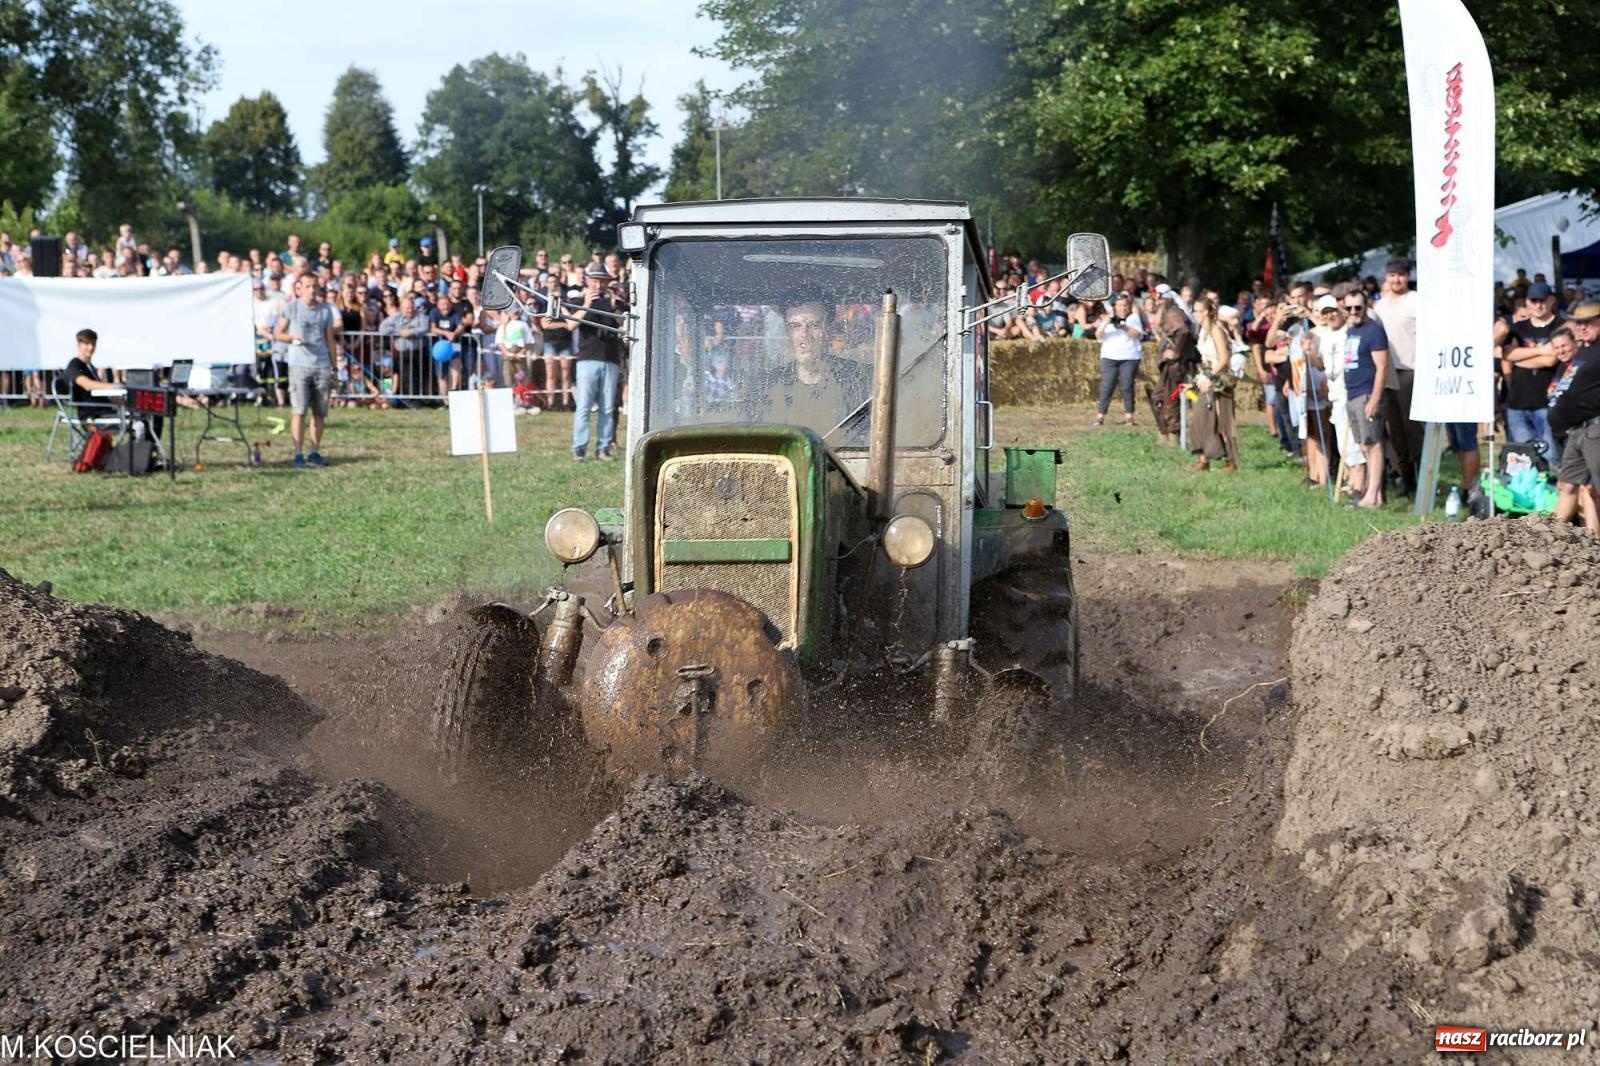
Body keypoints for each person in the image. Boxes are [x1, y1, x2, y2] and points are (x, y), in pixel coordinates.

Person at [764, 298, 869, 434]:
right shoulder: (769, 384)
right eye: (795, 326)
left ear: (829, 330)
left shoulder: (860, 379)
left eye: (814, 325)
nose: (804, 336)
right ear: (787, 332)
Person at [274, 275, 340, 468]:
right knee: (299, 410)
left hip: (321, 365)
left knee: (319, 412)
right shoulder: (292, 308)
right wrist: (292, 338)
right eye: (308, 286)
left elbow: (330, 340)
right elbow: (278, 334)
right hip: (299, 366)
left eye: (315, 286)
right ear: (299, 288)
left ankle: (315, 451)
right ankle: (298, 453)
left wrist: (334, 367)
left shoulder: (325, 310)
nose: (312, 290)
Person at [1332, 291, 1391, 507]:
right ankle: (1371, 492)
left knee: (1373, 444)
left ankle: (1373, 495)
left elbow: (1382, 367)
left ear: (1365, 307)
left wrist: (1374, 399)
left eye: (1358, 307)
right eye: (1349, 308)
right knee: (1364, 445)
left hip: (1366, 394)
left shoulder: (1373, 331)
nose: (1354, 312)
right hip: (1353, 393)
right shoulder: (1350, 331)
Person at [1496, 281, 1564, 461]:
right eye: (1534, 301)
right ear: (1527, 302)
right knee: (1522, 460)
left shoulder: (1560, 326)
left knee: (1552, 456)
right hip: (1518, 402)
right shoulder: (1518, 328)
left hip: (1548, 403)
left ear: (1551, 301)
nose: (1538, 305)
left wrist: (1519, 358)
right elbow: (1506, 354)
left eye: (1543, 300)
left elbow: (1551, 360)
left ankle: (1556, 489)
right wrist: (1541, 350)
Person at [568, 265, 625, 461]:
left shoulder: (615, 303)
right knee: (584, 406)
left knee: (608, 408)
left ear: (608, 283)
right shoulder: (577, 301)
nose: (598, 284)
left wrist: (615, 304)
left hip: (610, 359)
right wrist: (585, 304)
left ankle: (603, 447)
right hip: (587, 359)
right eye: (595, 280)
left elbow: (624, 325)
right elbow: (571, 325)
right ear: (589, 281)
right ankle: (579, 447)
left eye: (602, 281)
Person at [1188, 297, 1238, 472]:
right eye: (1194, 310)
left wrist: (1209, 376)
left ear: (1207, 312)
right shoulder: (1203, 331)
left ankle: (1231, 461)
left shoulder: (1216, 329)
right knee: (1200, 418)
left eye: (1198, 310)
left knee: (1223, 420)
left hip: (1219, 378)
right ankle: (1204, 458)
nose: (1195, 314)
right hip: (1207, 375)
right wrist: (1200, 376)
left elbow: (1224, 358)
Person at [1093, 292, 1143, 426]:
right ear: (1115, 307)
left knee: (1127, 386)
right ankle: (1100, 416)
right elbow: (1098, 335)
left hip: (1129, 357)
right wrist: (1106, 323)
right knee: (1107, 386)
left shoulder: (1133, 318)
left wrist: (1123, 326)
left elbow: (1137, 334)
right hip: (1109, 357)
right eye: (1120, 305)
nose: (1123, 308)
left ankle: (1129, 417)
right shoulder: (1107, 319)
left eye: (1125, 305)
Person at [60, 328, 122, 417]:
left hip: (104, 411)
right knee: (139, 424)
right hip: (92, 415)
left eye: (93, 343)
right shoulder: (75, 364)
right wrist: (114, 386)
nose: (91, 347)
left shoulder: (90, 367)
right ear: (79, 345)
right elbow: (87, 385)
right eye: (87, 344)